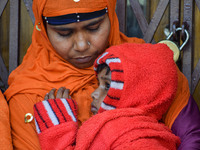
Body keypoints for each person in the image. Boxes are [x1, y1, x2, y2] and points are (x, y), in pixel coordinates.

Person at [3, 0, 200, 149]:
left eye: (94, 28)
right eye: (64, 33)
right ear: (43, 30)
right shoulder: (27, 92)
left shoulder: (146, 64)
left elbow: (191, 136)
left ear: (110, 17)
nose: (81, 45)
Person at [33, 43, 181, 150]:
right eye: (99, 84)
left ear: (139, 94)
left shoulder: (140, 138)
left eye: (108, 86)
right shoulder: (114, 129)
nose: (94, 93)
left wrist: (59, 135)